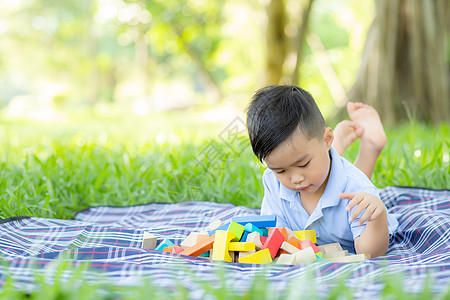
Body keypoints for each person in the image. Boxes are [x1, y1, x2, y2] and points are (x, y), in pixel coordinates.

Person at [246, 85, 398, 258]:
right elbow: (273, 233)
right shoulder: (273, 180)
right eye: (280, 170)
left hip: (352, 212)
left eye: (303, 164)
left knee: (348, 184)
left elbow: (371, 253)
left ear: (327, 140)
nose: (296, 179)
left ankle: (369, 148)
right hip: (322, 161)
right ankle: (335, 149)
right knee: (322, 169)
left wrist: (377, 217)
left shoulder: (358, 189)